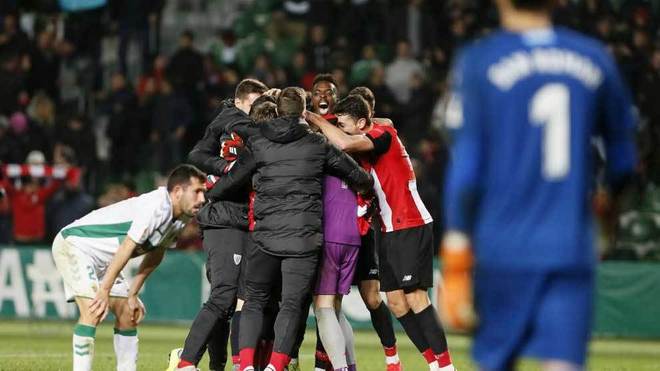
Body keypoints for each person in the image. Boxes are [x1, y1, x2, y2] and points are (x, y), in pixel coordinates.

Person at [439, 0, 638, 369]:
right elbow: (624, 158)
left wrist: (455, 253)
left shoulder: (480, 60)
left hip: (501, 243)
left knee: (496, 361)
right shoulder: (594, 58)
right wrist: (607, 206)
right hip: (569, 242)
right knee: (563, 363)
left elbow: (466, 168)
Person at [211, 87, 373, 371]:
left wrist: (211, 192)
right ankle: (276, 366)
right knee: (291, 305)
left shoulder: (259, 143)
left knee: (252, 302)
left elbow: (230, 182)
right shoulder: (317, 144)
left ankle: (246, 366)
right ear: (302, 112)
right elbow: (359, 177)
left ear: (278, 110)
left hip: (265, 237)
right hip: (303, 240)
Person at [307, 96, 455, 371]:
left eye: (345, 123)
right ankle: (432, 364)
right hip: (388, 229)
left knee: (416, 298)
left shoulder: (382, 134)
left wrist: (311, 117)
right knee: (396, 303)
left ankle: (446, 367)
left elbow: (345, 142)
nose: (341, 128)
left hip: (410, 223)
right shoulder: (372, 133)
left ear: (362, 123)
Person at [51, 164, 206, 371]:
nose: (202, 199)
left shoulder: (182, 216)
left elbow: (157, 251)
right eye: (197, 191)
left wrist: (132, 293)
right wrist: (104, 290)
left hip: (105, 260)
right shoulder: (156, 207)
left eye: (203, 192)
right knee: (93, 310)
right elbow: (127, 247)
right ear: (178, 191)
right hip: (76, 245)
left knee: (128, 314)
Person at [170, 78, 268, 371]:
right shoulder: (230, 124)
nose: (256, 110)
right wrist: (229, 171)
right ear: (239, 103)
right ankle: (186, 361)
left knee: (239, 300)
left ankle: (223, 364)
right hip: (224, 217)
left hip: (244, 218)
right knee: (225, 296)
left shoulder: (247, 127)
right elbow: (197, 156)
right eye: (252, 104)